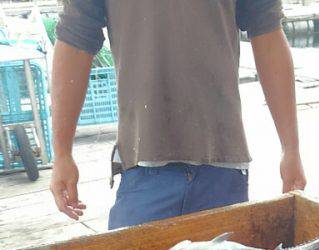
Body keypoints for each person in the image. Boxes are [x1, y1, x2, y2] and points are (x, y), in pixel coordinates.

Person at [51, 1, 306, 230]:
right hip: (143, 165)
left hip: (222, 164)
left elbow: (268, 33)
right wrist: (62, 153)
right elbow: (75, 40)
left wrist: (290, 148)